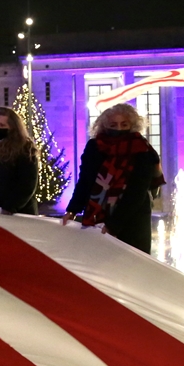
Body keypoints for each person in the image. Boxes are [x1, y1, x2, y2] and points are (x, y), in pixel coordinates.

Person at [63, 103, 163, 253]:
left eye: (124, 124)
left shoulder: (142, 150)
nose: (119, 129)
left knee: (131, 266)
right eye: (113, 125)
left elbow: (137, 191)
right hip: (99, 214)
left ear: (133, 125)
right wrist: (73, 209)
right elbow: (85, 180)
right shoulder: (95, 147)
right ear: (104, 126)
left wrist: (114, 225)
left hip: (133, 220)